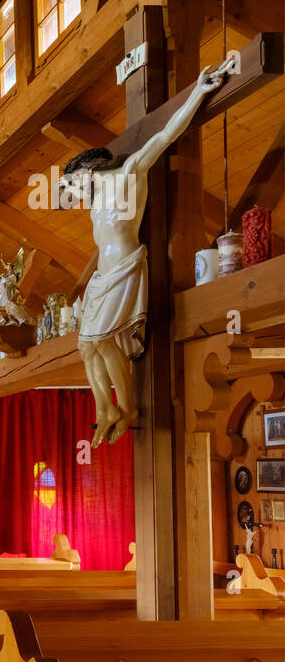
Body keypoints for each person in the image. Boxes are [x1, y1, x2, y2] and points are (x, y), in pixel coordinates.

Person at [69, 59, 229, 446]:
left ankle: (129, 406)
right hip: (101, 278)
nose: (73, 193)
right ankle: (104, 410)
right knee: (85, 346)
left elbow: (165, 135)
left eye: (73, 183)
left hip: (124, 267)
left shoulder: (130, 173)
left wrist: (199, 91)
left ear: (87, 172)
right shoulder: (92, 202)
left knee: (104, 341)